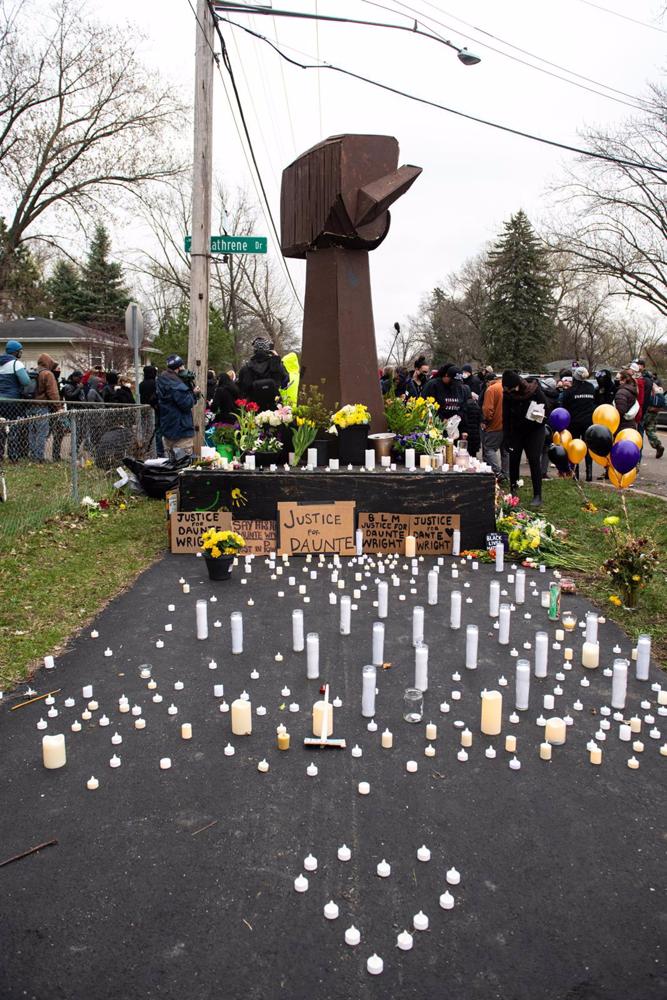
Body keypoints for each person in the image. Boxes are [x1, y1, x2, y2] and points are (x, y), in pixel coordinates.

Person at [501, 370, 548, 507]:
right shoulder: (508, 395)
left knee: (534, 460)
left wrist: (535, 418)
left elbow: (546, 410)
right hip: (516, 431)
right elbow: (506, 416)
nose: (510, 392)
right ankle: (514, 490)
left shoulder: (534, 391)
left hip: (534, 430)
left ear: (518, 384)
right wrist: (506, 436)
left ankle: (537, 494)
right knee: (514, 459)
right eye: (507, 390)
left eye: (512, 388)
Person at [156, 354, 200, 455]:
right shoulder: (177, 385)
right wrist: (194, 394)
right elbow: (186, 404)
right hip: (181, 431)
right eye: (183, 366)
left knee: (170, 465)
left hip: (167, 429)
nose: (184, 369)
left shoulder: (161, 380)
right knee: (183, 465)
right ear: (179, 368)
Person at [560, 366, 595, 481]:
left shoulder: (570, 391)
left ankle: (575, 473)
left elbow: (564, 407)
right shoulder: (591, 388)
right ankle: (589, 474)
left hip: (574, 423)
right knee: (588, 447)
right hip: (588, 422)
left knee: (575, 448)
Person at [0, 339, 32, 462]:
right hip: (12, 401)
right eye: (20, 351)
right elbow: (26, 381)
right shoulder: (16, 364)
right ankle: (13, 457)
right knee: (13, 428)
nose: (21, 353)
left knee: (0, 428)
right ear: (16, 352)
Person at [237, 337, 288, 410]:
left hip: (253, 407)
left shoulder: (246, 368)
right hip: (274, 406)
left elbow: (241, 388)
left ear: (254, 350)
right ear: (268, 350)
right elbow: (285, 382)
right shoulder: (276, 365)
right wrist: (277, 359)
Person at [421, 365, 471, 432]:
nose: (454, 385)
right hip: (435, 428)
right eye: (452, 381)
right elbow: (427, 407)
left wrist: (464, 429)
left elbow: (464, 408)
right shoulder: (433, 385)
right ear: (446, 375)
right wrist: (441, 419)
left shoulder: (461, 388)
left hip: (454, 428)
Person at [31, 353, 61, 461]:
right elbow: (52, 392)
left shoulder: (33, 372)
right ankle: (39, 457)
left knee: (32, 433)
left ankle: (33, 455)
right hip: (42, 407)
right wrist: (58, 406)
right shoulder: (47, 374)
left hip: (30, 406)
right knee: (41, 433)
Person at [633, 359, 664, 458]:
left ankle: (639, 451)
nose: (637, 367)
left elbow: (644, 395)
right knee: (650, 429)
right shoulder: (652, 377)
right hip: (653, 408)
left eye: (638, 365)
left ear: (642, 366)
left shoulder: (644, 377)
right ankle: (658, 445)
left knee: (643, 429)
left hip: (648, 408)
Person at [52, 370, 85, 461]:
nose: (80, 379)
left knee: (80, 433)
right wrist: (79, 389)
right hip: (69, 413)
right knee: (60, 434)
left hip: (78, 412)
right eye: (79, 377)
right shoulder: (68, 386)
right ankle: (56, 455)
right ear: (74, 377)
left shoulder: (76, 386)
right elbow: (70, 396)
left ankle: (74, 451)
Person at [481, 371, 508, 478]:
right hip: (507, 425)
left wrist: (486, 421)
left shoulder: (491, 389)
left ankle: (497, 472)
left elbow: (488, 409)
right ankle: (506, 473)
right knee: (505, 452)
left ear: (488, 382)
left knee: (489, 449)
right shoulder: (505, 387)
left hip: (495, 426)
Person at [139, 365, 163, 457]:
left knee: (146, 430)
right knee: (157, 431)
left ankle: (146, 449)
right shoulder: (156, 383)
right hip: (156, 409)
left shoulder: (141, 384)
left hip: (144, 410)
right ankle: (158, 451)